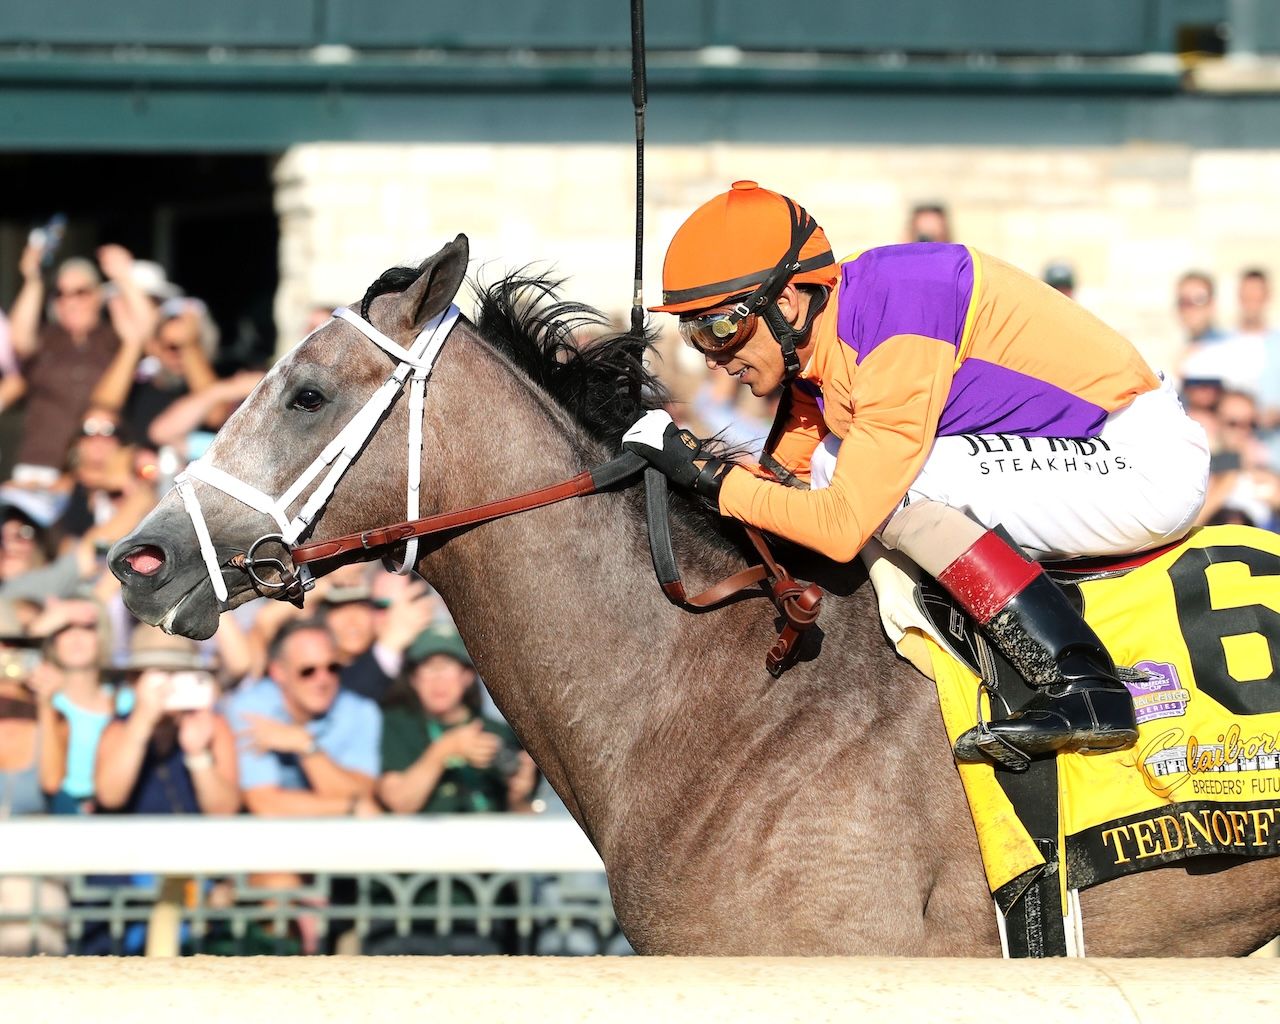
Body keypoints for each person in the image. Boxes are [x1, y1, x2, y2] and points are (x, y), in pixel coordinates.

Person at [624, 180, 1209, 766]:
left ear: (788, 303)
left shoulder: (898, 319)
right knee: (831, 463)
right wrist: (713, 479)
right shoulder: (821, 339)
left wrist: (710, 478)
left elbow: (840, 524)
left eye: (719, 329)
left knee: (872, 480)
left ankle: (1085, 685)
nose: (713, 357)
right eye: (693, 335)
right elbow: (781, 478)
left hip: (1141, 462)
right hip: (1081, 451)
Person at [7, 245, 155, 483]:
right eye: (61, 293)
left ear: (98, 295)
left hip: (98, 470)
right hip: (40, 465)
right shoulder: (47, 339)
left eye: (80, 292)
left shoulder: (114, 338)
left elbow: (148, 330)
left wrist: (123, 277)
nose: (70, 301)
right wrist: (33, 280)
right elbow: (19, 338)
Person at [222, 619, 381, 816]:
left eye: (332, 668)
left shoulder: (362, 711)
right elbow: (265, 804)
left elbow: (363, 793)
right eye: (308, 671)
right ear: (278, 672)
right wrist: (349, 807)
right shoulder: (249, 709)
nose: (323, 679)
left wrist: (306, 746)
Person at [378, 625, 536, 815]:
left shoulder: (500, 732)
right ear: (413, 679)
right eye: (428, 668)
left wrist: (519, 796)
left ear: (467, 676)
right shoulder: (398, 726)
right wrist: (446, 749)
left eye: (446, 667)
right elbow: (398, 803)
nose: (438, 681)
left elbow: (527, 816)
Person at [94, 626, 239, 815]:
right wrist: (141, 723)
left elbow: (225, 811)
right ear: (134, 681)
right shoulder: (117, 729)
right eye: (160, 673)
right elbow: (110, 798)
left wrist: (198, 754)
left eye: (177, 672)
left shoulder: (213, 726)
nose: (168, 685)